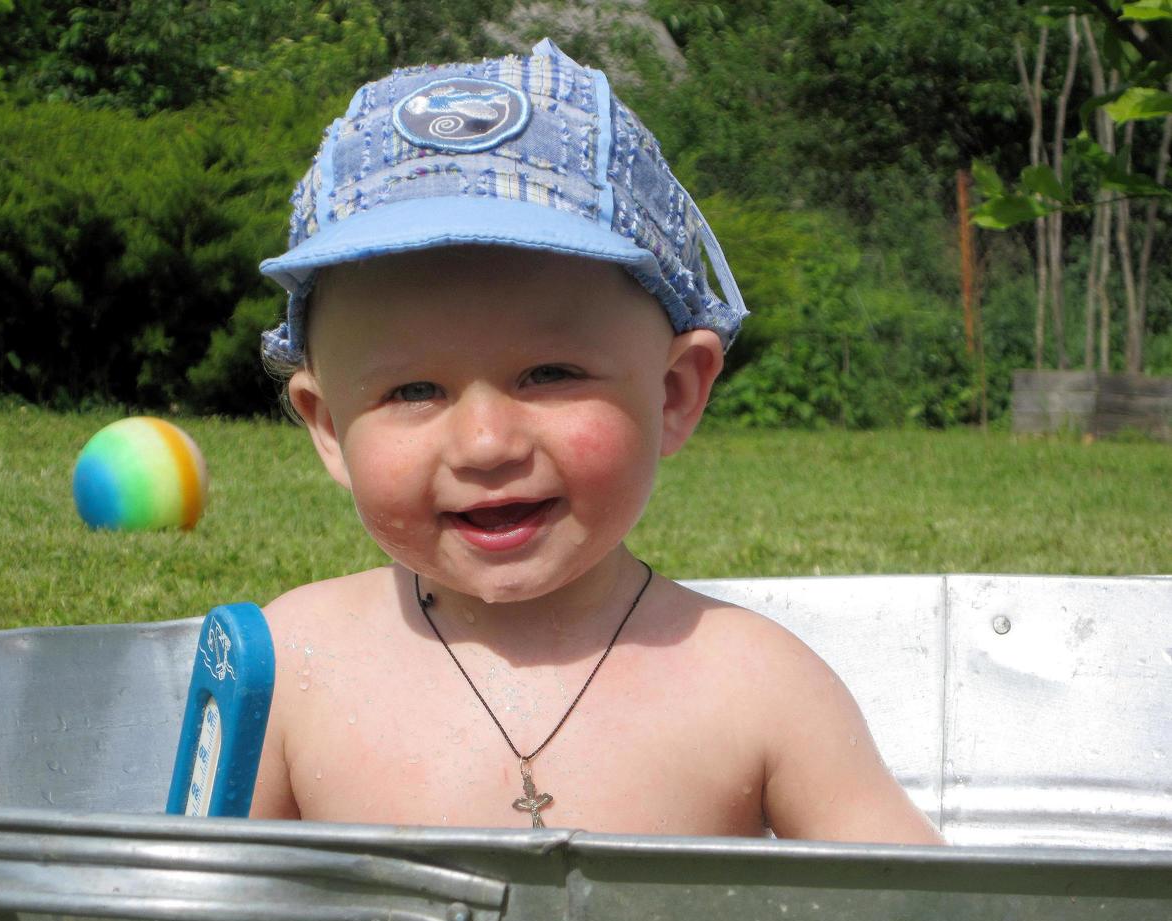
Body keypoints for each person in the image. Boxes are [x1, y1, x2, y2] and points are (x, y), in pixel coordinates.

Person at [248, 39, 942, 844]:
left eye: (548, 373)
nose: (484, 442)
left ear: (674, 392)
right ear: (329, 426)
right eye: (412, 390)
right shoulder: (288, 667)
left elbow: (924, 919)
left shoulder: (753, 687)